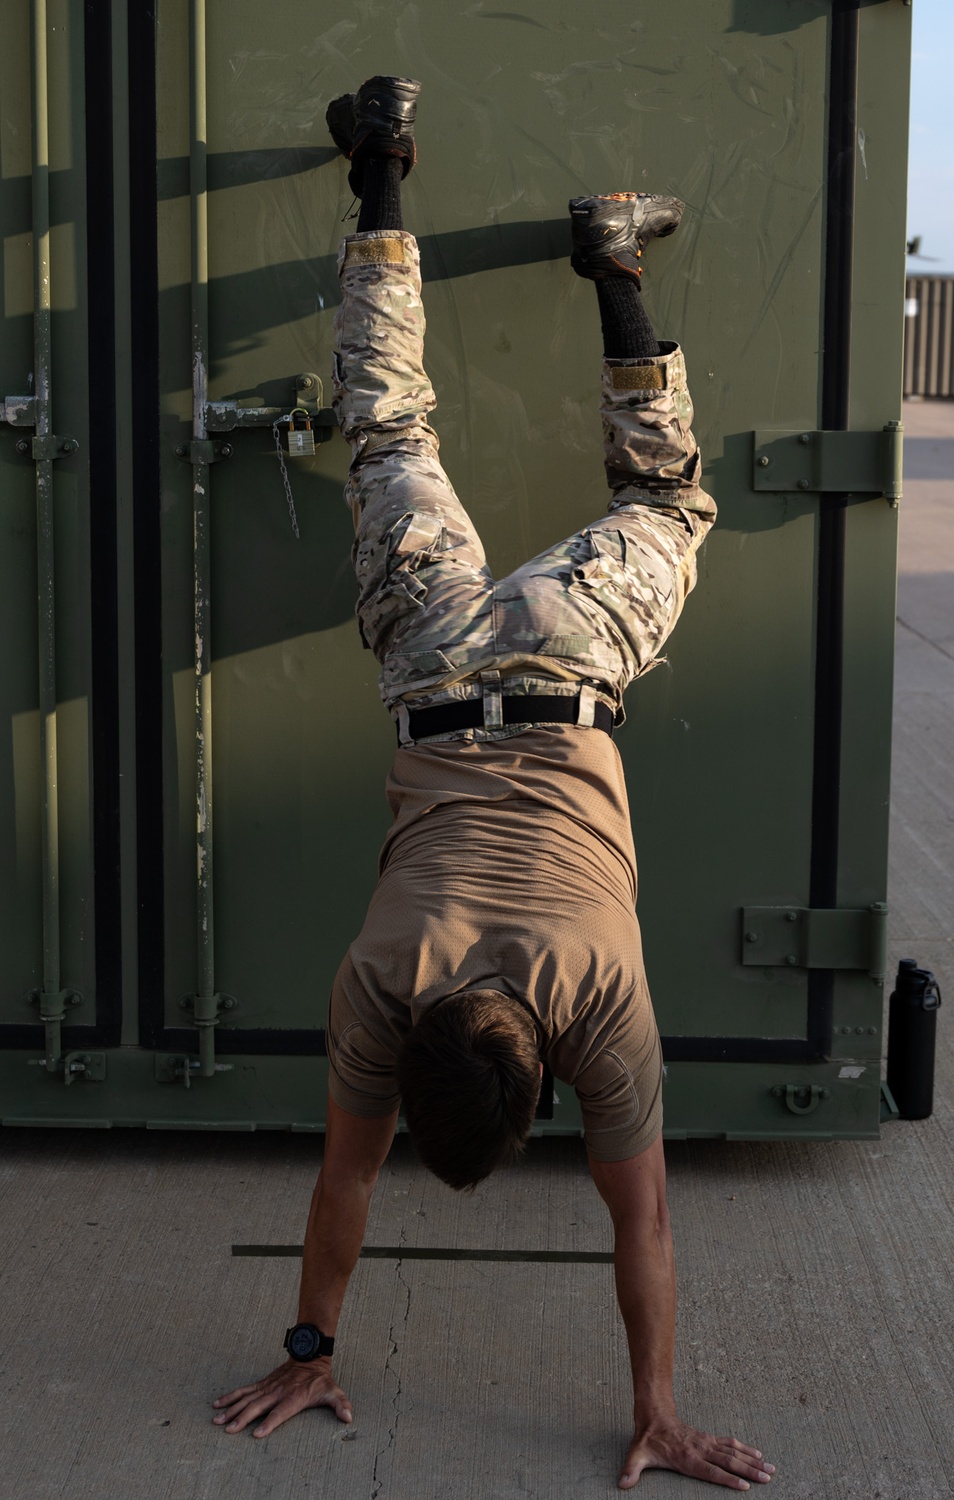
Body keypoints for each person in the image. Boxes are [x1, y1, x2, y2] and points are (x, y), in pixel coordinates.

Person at [213, 76, 775, 1492]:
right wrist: (306, 1338)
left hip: (574, 661)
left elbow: (637, 1222)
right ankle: (384, 166)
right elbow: (346, 1184)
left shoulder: (601, 997)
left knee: (665, 504)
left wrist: (657, 1405)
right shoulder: (382, 983)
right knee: (391, 432)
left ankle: (615, 254)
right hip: (432, 660)